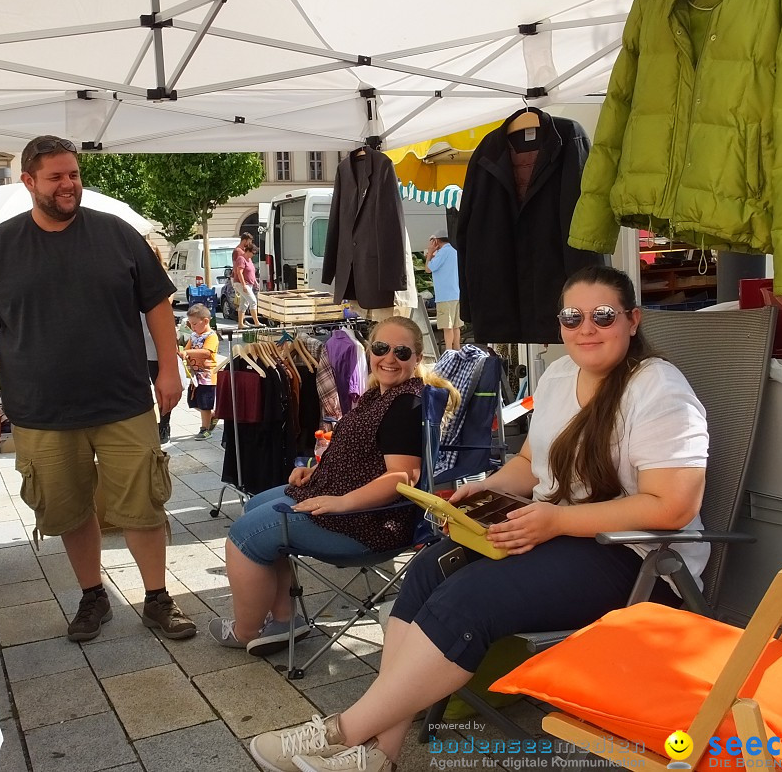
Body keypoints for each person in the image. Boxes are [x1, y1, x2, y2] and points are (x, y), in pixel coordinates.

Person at [247, 265, 709, 772]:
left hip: (638, 557)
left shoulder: (658, 388)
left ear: (632, 320)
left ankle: (341, 732)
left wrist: (553, 523)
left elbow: (673, 505)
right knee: (427, 569)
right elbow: (531, 465)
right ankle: (381, 753)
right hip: (559, 533)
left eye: (602, 315)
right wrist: (484, 489)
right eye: (572, 316)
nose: (586, 328)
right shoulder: (557, 376)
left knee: (470, 598)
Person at [0, 135, 196, 643]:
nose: (69, 185)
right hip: (41, 410)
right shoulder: (0, 245)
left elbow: (157, 303)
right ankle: (93, 595)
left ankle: (157, 596)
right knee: (66, 509)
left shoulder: (117, 234)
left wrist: (169, 369)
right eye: (56, 177)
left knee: (144, 504)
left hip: (123, 401)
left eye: (74, 174)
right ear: (28, 182)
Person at [211, 316, 459, 657]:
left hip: (366, 522)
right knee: (255, 508)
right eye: (381, 348)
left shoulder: (406, 404)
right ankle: (285, 621)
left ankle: (244, 631)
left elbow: (403, 477)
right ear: (370, 350)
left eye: (401, 352)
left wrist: (342, 502)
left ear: (417, 358)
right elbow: (360, 453)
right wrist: (315, 470)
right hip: (343, 498)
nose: (389, 358)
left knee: (243, 536)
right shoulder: (379, 394)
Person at [142, 243, 176, 443]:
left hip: (155, 345)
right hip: (138, 345)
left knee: (161, 388)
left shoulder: (163, 279)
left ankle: (165, 425)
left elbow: (164, 307)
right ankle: (151, 424)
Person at [179, 303, 219, 440]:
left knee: (205, 404)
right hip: (195, 376)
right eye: (190, 324)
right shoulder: (194, 335)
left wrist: (187, 352)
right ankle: (212, 415)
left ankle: (205, 429)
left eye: (194, 323)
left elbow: (206, 353)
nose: (192, 327)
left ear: (206, 321)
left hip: (207, 377)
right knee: (194, 402)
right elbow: (186, 350)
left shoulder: (211, 336)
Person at [424, 234, 462, 351]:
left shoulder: (442, 253)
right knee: (456, 326)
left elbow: (428, 269)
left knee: (447, 326)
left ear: (436, 241)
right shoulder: (454, 251)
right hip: (456, 293)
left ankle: (449, 352)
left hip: (444, 296)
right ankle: (457, 350)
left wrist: (430, 253)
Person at [233, 240, 261, 329]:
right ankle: (257, 323)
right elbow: (239, 272)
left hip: (249, 284)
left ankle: (240, 324)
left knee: (243, 303)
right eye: (253, 253)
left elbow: (251, 272)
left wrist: (255, 282)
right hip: (241, 284)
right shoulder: (241, 259)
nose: (253, 255)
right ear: (248, 251)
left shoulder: (249, 260)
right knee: (253, 301)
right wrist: (244, 285)